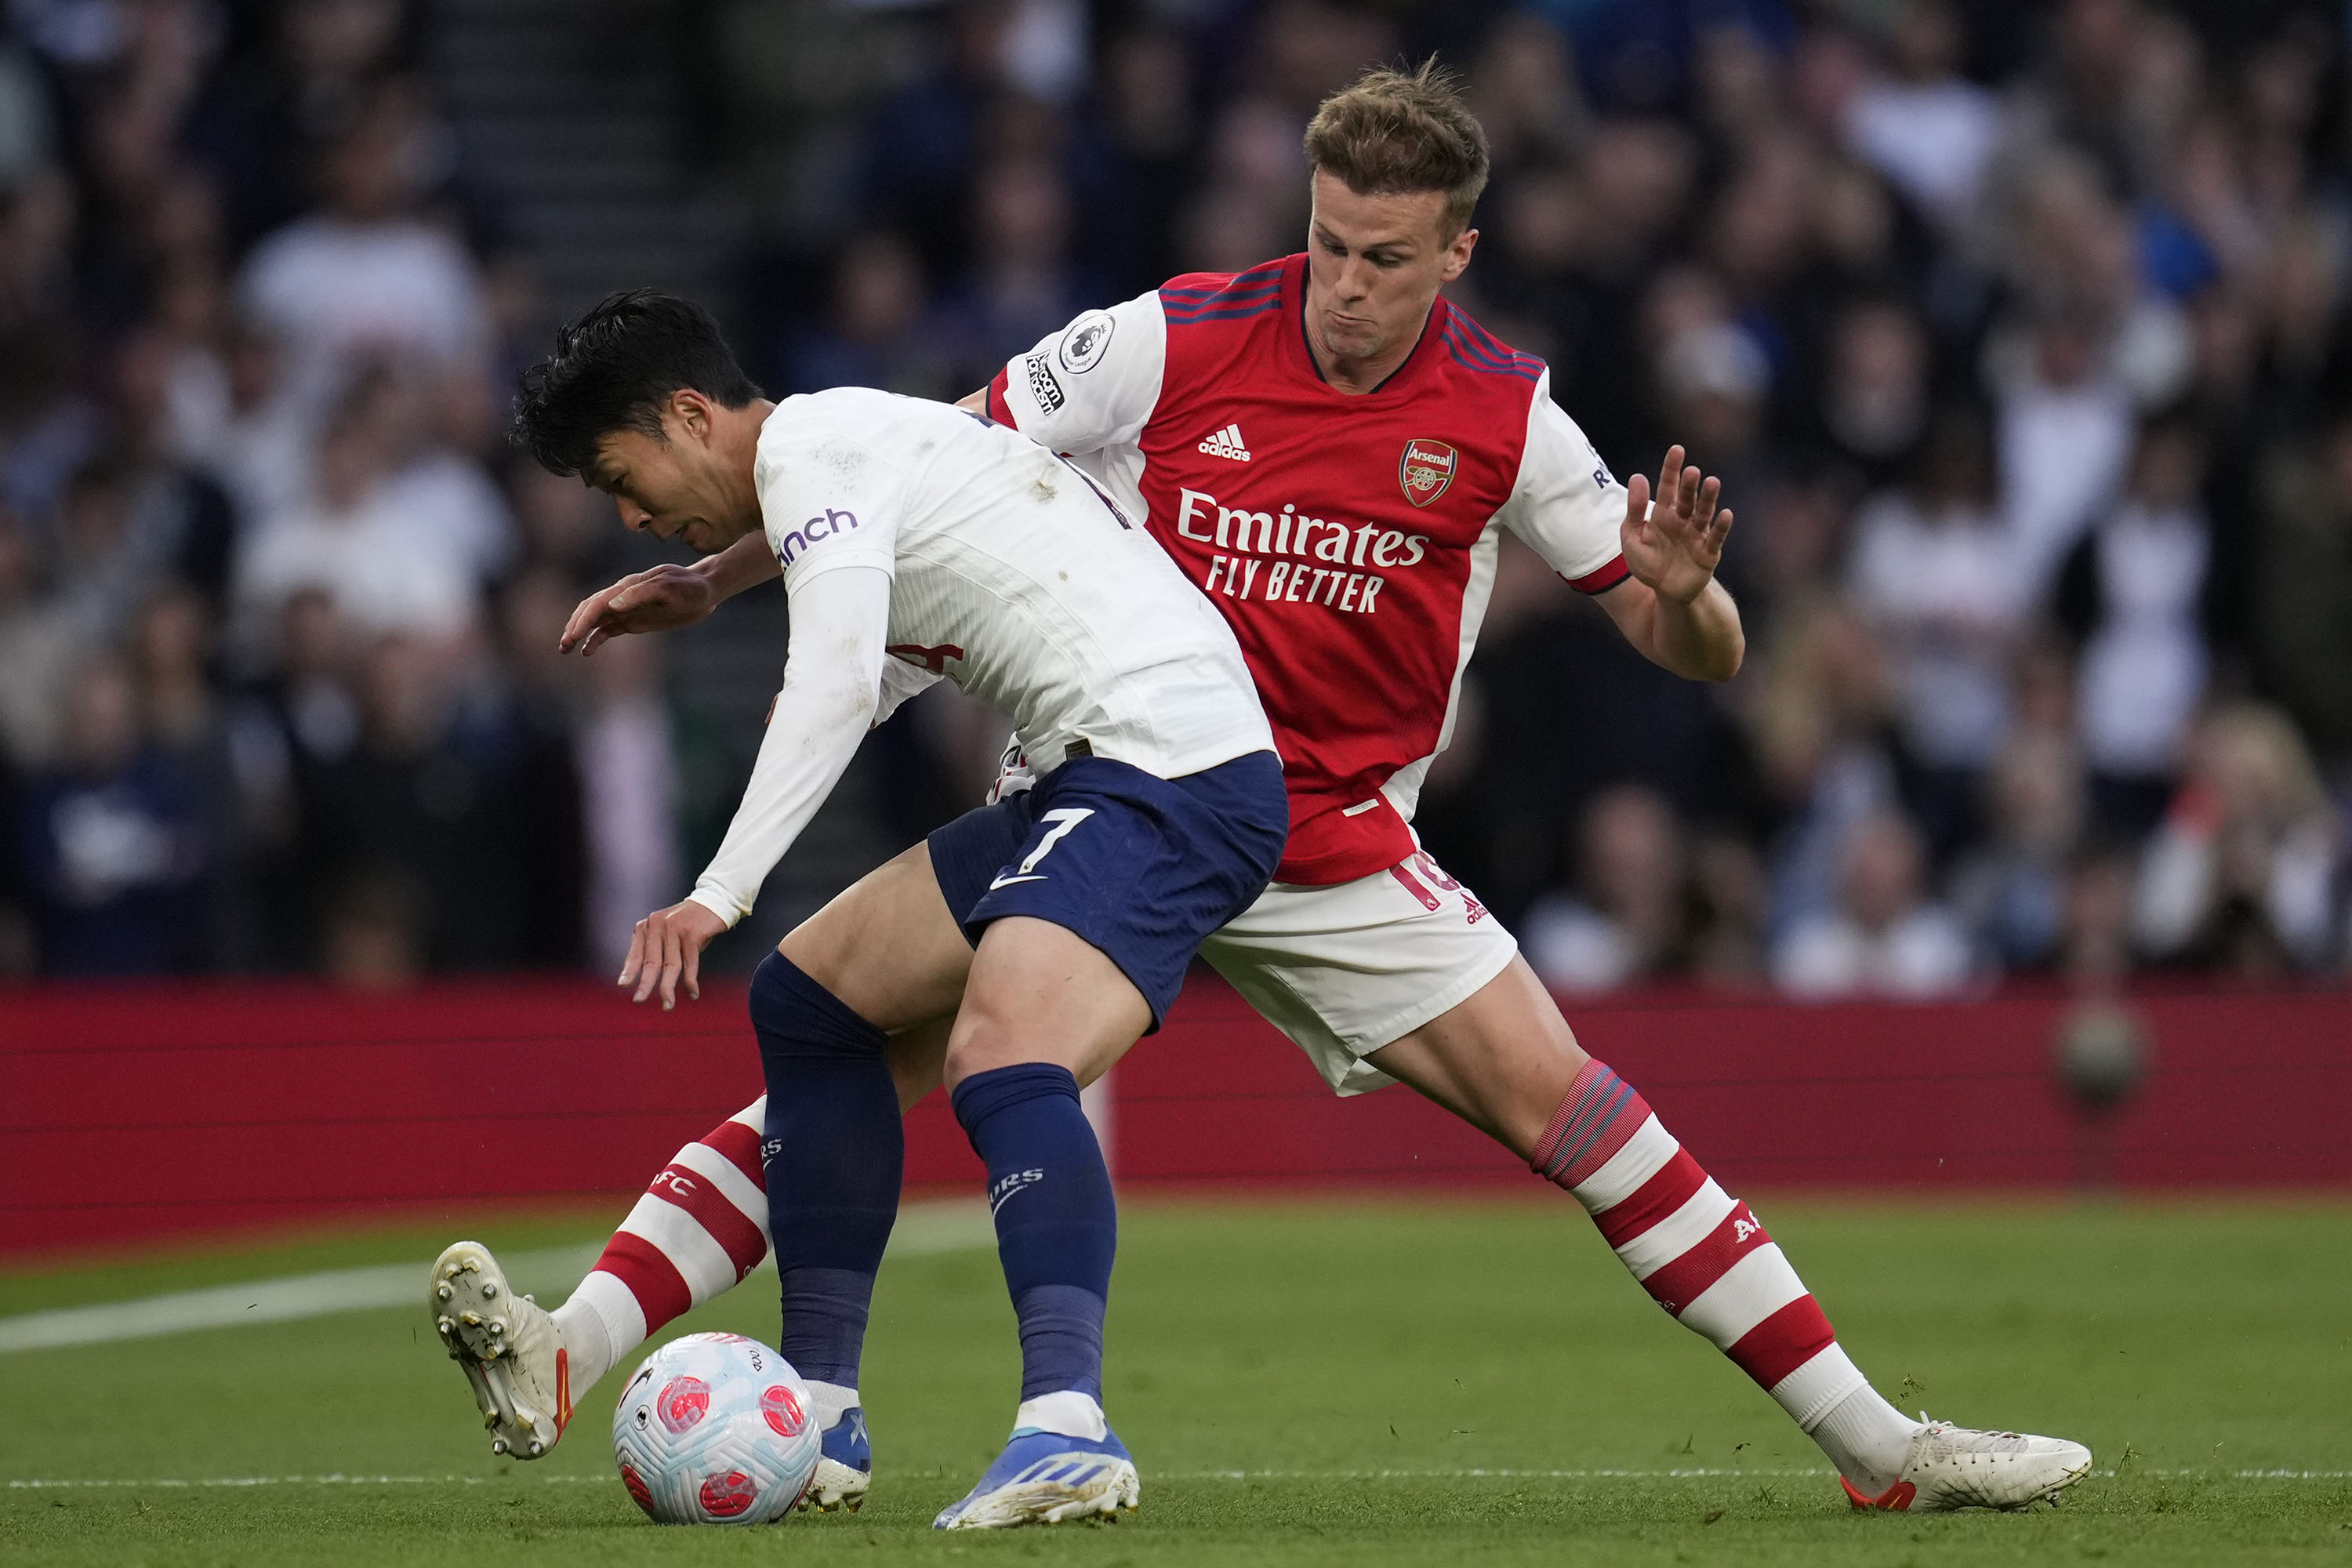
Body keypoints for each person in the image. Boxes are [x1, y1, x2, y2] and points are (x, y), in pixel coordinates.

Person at [524, 65, 2091, 1517]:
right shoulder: (1166, 338)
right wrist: (727, 574)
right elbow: (924, 470)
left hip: (1332, 840)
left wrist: (1685, 596)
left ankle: (1884, 1448)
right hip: (1118, 786)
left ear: (1459, 253)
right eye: (1331, 244)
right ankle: (606, 1351)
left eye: (1388, 260)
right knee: (848, 1035)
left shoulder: (1508, 421)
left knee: (1589, 1122)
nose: (1347, 287)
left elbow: (1699, 647)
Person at [432, 289, 1289, 1530]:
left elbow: (834, 675)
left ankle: (1068, 1430)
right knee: (814, 1002)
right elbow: (880, 662)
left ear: (687, 416)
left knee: (1004, 1054)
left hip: (1174, 766)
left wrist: (716, 891)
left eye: (625, 478)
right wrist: (716, 584)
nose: (629, 517)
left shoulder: (820, 452)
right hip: (1096, 772)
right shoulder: (846, 460)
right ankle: (822, 1412)